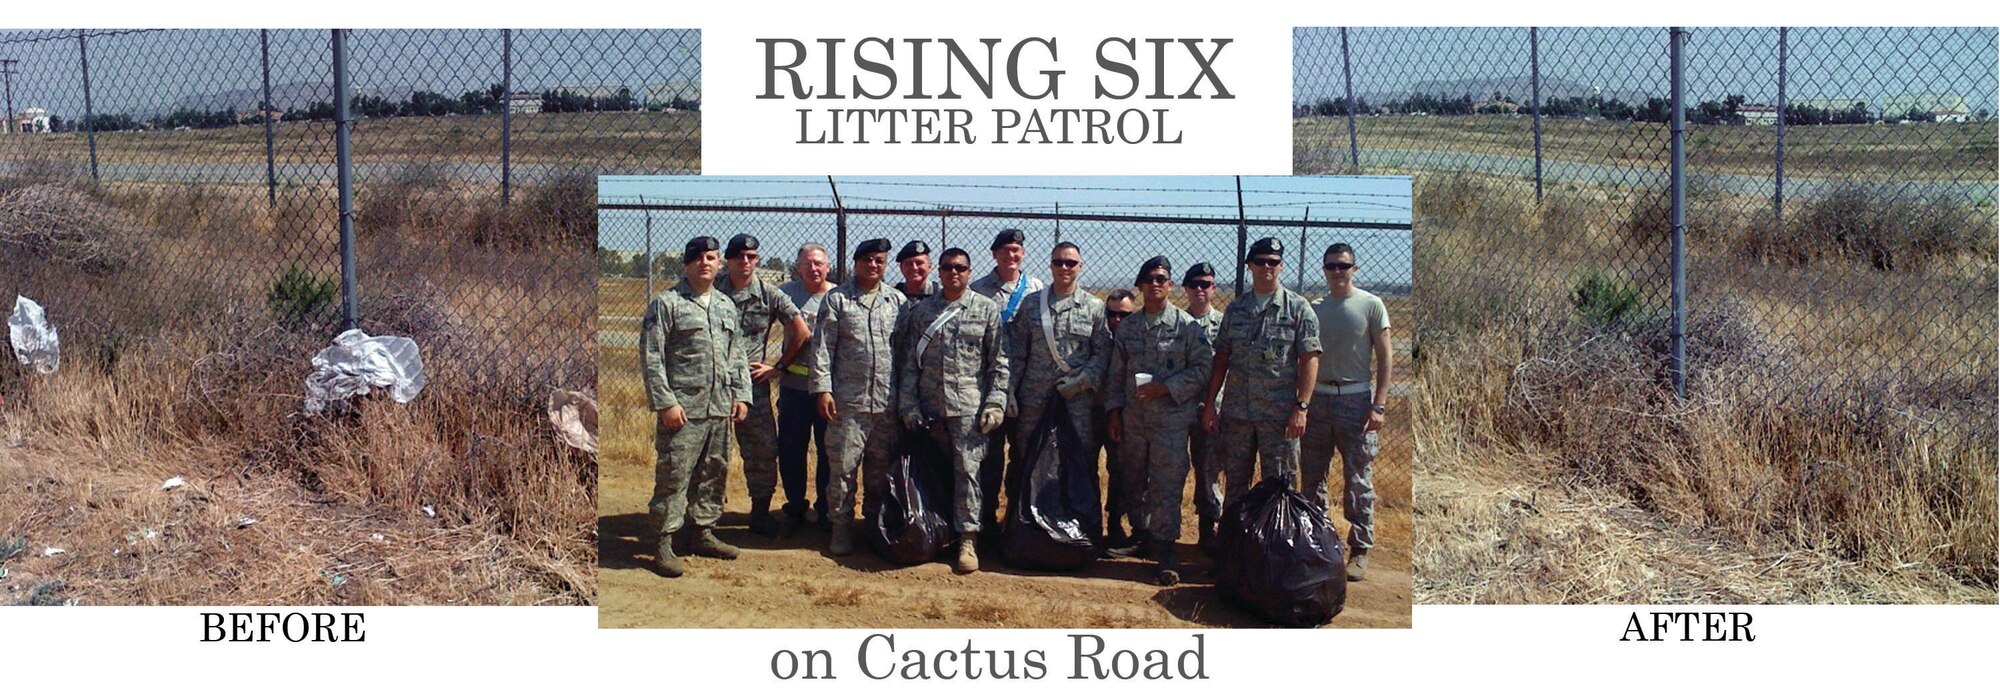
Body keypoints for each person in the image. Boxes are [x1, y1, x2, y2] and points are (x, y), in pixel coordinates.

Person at [640, 236, 750, 578]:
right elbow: (652, 357)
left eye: (711, 257)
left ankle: (702, 532)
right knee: (674, 475)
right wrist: (666, 403)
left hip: (719, 407)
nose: (705, 262)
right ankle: (664, 541)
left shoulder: (725, 305)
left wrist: (741, 395)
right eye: (698, 257)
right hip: (683, 410)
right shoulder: (667, 303)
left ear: (719, 264)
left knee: (713, 472)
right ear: (687, 264)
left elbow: (737, 355)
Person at [897, 247, 1010, 573]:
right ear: (940, 272)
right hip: (930, 409)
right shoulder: (923, 311)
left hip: (968, 410)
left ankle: (968, 540)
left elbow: (999, 362)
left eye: (960, 267)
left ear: (969, 272)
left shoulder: (986, 309)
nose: (953, 273)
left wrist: (995, 402)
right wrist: (908, 405)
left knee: (968, 474)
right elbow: (910, 365)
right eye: (947, 267)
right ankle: (937, 533)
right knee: (934, 473)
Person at [1105, 256, 1213, 585]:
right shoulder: (1129, 328)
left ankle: (1166, 549)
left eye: (1161, 279)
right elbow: (1116, 374)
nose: (1155, 284)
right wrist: (1114, 413)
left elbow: (1203, 369)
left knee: (1167, 484)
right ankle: (1142, 534)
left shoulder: (1187, 326)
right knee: (1133, 479)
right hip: (1134, 421)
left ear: (1170, 285)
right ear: (1140, 285)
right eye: (1149, 279)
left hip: (1171, 422)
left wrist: (1166, 387)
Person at [1202, 237, 1322, 510]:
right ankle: (1234, 535)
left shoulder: (1297, 308)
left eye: (1273, 262)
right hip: (1238, 415)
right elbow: (1221, 359)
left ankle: (1278, 537)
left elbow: (1310, 359)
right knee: (1235, 485)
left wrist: (1301, 407)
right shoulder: (1236, 309)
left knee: (1280, 487)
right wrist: (1210, 404)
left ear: (1281, 266)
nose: (1267, 266)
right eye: (1260, 261)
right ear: (1250, 266)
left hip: (1279, 417)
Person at [1007, 242, 1112, 548]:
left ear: (1080, 266)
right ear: (1050, 265)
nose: (1064, 268)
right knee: (1028, 461)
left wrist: (1082, 382)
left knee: (1079, 463)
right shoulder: (1031, 305)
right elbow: (1017, 352)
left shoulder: (1093, 307)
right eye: (1058, 262)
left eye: (1070, 263)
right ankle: (1024, 531)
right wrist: (1009, 390)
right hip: (1034, 401)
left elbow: (1103, 354)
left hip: (1076, 403)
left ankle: (1081, 532)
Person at [809, 238, 908, 556]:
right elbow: (822, 348)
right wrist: (823, 389)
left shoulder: (897, 301)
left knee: (879, 473)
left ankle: (873, 527)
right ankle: (841, 528)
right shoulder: (838, 299)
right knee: (843, 470)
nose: (873, 265)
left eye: (879, 260)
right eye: (867, 259)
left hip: (886, 404)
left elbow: (905, 353)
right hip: (847, 404)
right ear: (856, 263)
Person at [1300, 243, 1392, 582]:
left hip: (1355, 400)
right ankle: (1320, 543)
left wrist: (1378, 405)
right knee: (1312, 478)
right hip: (1318, 399)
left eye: (1343, 265)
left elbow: (1385, 356)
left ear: (1354, 269)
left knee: (1358, 479)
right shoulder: (1314, 308)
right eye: (1331, 266)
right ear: (1324, 270)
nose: (1337, 271)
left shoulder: (1371, 305)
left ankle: (1360, 549)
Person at [716, 234, 813, 538]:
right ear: (728, 260)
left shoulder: (769, 294)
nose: (745, 262)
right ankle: (705, 514)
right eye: (739, 256)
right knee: (710, 450)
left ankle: (759, 514)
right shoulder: (712, 289)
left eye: (752, 257)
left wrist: (778, 367)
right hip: (713, 382)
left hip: (751, 384)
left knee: (762, 450)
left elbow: (801, 331)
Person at [967, 228, 1045, 537]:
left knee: (1024, 455)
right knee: (989, 456)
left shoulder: (1037, 289)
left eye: (1016, 250)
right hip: (989, 386)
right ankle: (985, 519)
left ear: (1023, 253)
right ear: (994, 254)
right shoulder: (978, 290)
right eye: (1005, 250)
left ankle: (1016, 519)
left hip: (1027, 387)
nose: (1011, 255)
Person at [776, 244, 835, 535]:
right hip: (793, 388)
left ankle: (826, 509)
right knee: (791, 450)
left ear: (828, 267)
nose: (813, 268)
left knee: (829, 452)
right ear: (798, 267)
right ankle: (795, 507)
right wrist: (774, 367)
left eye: (819, 263)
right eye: (807, 263)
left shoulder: (839, 296)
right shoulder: (785, 294)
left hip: (827, 392)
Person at [1178, 262, 1227, 553]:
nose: (1200, 289)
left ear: (1213, 288)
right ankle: (1158, 529)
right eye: (1194, 284)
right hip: (1177, 405)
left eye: (1206, 284)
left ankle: (1208, 528)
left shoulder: (1224, 324)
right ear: (1185, 288)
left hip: (1211, 406)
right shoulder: (1176, 322)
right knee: (1170, 467)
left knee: (1209, 469)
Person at [1096, 289, 1139, 548]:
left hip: (1124, 413)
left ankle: (1115, 522)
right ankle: (1088, 522)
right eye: (1111, 314)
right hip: (1092, 411)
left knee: (1121, 470)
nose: (1116, 320)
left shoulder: (1138, 338)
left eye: (1124, 315)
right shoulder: (1098, 336)